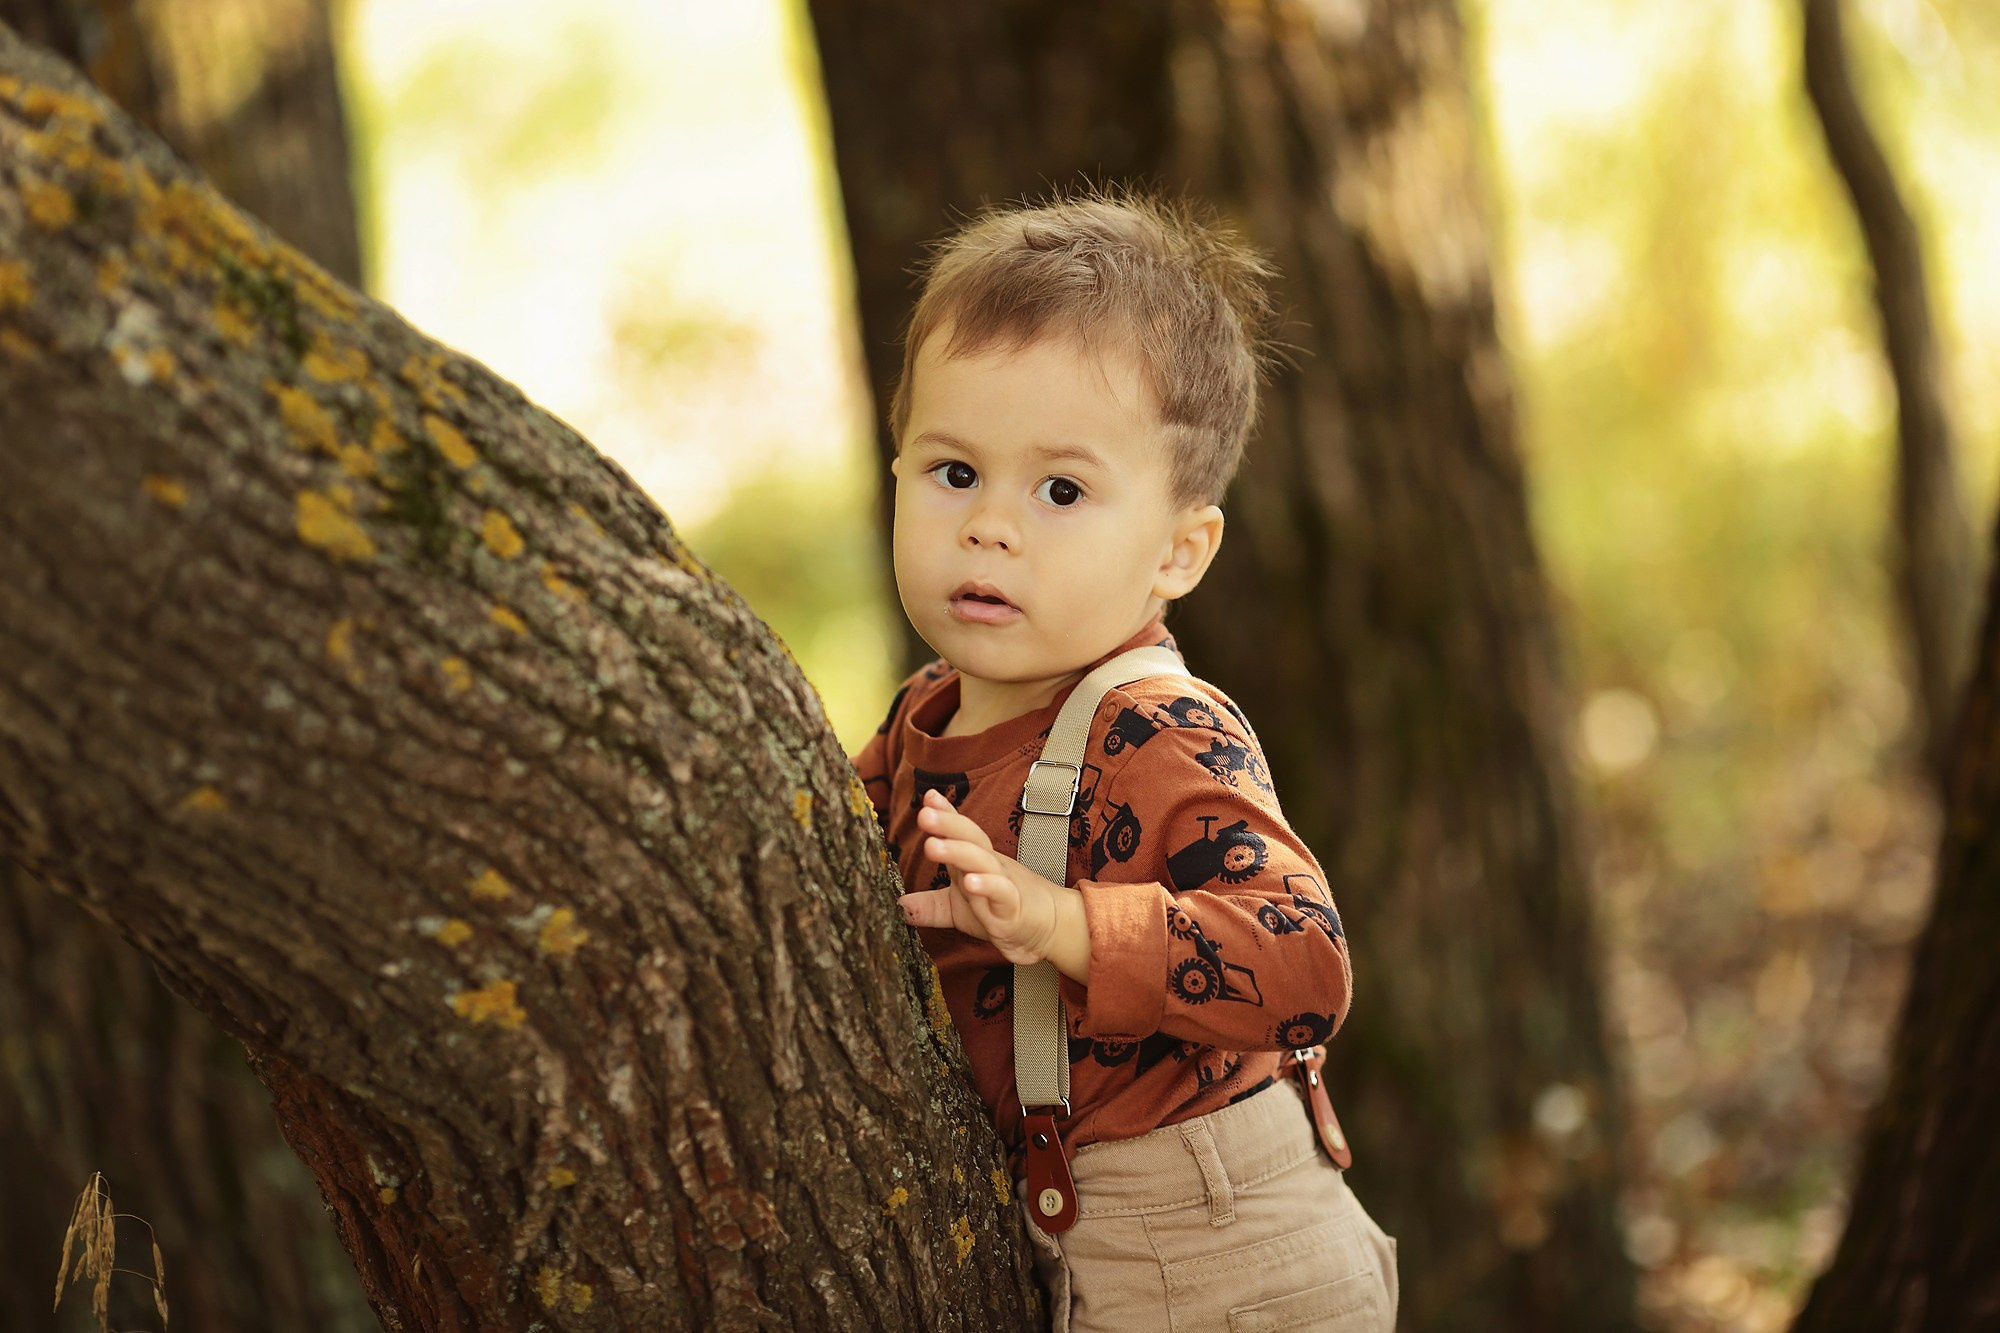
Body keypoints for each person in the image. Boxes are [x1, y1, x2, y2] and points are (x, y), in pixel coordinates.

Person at [850, 189, 1397, 1332]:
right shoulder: (920, 716)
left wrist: (1063, 926)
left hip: (1220, 1252)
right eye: (953, 472)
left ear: (1177, 551)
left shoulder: (1156, 732)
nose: (990, 525)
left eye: (1059, 490)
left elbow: (1307, 963)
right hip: (1078, 1245)